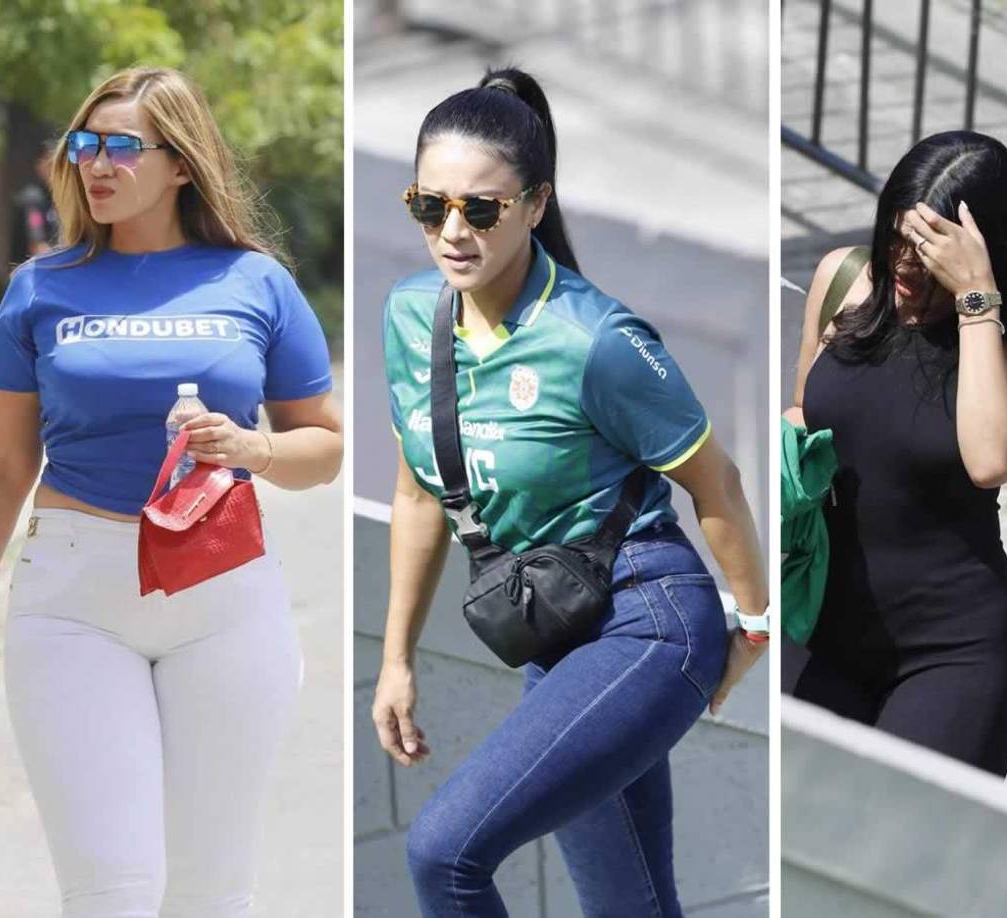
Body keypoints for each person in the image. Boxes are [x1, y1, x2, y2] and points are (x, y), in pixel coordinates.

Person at [0, 67, 342, 917]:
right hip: (75, 597)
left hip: (223, 594)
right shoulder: (42, 287)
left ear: (182, 163)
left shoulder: (256, 281)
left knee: (210, 893)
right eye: (86, 145)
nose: (97, 164)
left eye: (123, 146)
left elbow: (326, 447)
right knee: (111, 893)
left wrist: (251, 446)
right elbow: (3, 467)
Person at [372, 67, 769, 917]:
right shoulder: (410, 316)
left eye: (480, 209)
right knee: (628, 906)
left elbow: (718, 485)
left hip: (650, 618)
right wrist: (395, 661)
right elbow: (416, 496)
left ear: (535, 204)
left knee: (444, 854)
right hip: (557, 630)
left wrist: (756, 625)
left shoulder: (599, 339)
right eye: (428, 206)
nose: (452, 231)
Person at [783, 130, 1007, 777]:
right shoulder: (844, 281)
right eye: (898, 238)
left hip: (952, 654)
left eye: (930, 251)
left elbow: (989, 460)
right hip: (817, 623)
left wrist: (975, 302)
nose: (905, 263)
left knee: (900, 858)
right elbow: (806, 414)